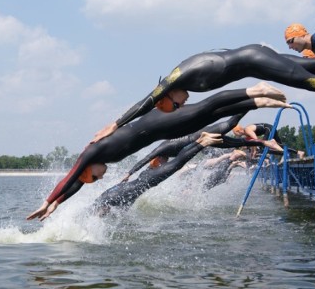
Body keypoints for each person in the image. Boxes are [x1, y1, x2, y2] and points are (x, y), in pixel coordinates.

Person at [27, 83, 291, 221]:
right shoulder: (101, 159)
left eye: (94, 177)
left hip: (160, 124)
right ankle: (251, 105)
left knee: (209, 112)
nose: (100, 177)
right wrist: (56, 204)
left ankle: (253, 97)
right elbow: (77, 184)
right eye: (96, 180)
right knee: (210, 123)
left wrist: (49, 201)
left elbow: (72, 175)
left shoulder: (95, 150)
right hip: (162, 129)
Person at [91, 44, 315, 146]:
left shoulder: (180, 76)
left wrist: (116, 124)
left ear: (169, 94)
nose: (183, 104)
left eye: (176, 104)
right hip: (256, 60)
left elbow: (149, 98)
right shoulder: (183, 77)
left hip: (256, 60)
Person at [92, 132, 225, 215]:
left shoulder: (148, 173)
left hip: (121, 191)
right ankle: (202, 143)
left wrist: (129, 172)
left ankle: (201, 143)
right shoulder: (144, 177)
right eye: (164, 159)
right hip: (121, 191)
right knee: (177, 163)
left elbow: (149, 159)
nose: (165, 162)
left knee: (177, 163)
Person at [121, 112, 267, 182]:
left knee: (231, 124)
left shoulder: (163, 148)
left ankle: (250, 102)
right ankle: (266, 143)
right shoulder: (168, 152)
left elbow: (146, 159)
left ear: (159, 158)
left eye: (161, 163)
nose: (164, 164)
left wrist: (129, 173)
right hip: (204, 141)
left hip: (204, 135)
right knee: (238, 143)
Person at [232, 122, 304, 158]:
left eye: (235, 134)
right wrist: (253, 151)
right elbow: (253, 142)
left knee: (262, 147)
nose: (236, 136)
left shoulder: (247, 130)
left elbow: (255, 140)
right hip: (270, 128)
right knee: (280, 146)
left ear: (238, 131)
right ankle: (298, 152)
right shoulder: (246, 133)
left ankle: (280, 150)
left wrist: (254, 150)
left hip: (268, 129)